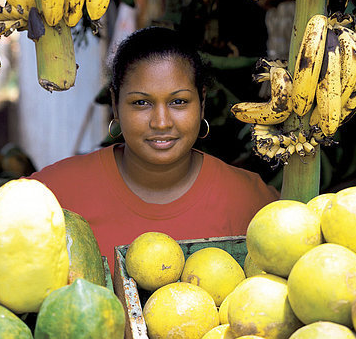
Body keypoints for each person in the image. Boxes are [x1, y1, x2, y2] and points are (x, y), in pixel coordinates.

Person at [25, 26, 278, 272]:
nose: (161, 122)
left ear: (201, 103)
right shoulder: (55, 193)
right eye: (141, 102)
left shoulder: (251, 201)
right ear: (115, 104)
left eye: (178, 102)